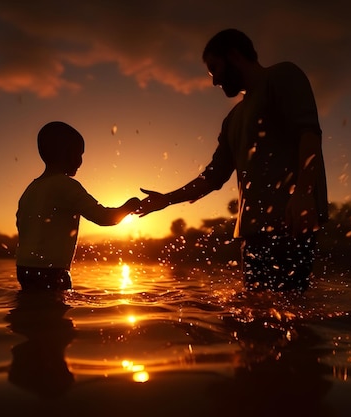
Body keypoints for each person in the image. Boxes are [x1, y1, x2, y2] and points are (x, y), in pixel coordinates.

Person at [138, 29, 328, 293]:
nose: (214, 80)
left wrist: (304, 193)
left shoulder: (282, 75)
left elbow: (309, 133)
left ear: (234, 56)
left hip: (291, 222)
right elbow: (213, 177)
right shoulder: (233, 119)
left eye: (214, 68)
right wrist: (166, 199)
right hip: (251, 235)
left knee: (292, 312)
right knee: (255, 313)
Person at [16, 121, 141, 291]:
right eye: (79, 154)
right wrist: (128, 207)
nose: (81, 161)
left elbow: (22, 226)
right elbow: (103, 217)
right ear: (65, 154)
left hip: (24, 269)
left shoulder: (30, 189)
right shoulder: (66, 185)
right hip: (52, 271)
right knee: (57, 313)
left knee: (32, 311)